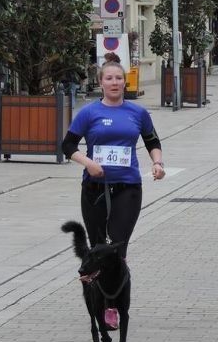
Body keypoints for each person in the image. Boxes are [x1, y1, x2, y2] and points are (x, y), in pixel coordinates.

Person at [61, 59, 165, 260]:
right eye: (109, 78)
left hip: (128, 187)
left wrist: (157, 163)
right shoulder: (89, 113)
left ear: (125, 83)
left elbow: (153, 142)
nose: (114, 82)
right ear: (101, 83)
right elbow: (67, 146)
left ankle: (119, 291)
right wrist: (88, 163)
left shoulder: (138, 113)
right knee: (98, 248)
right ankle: (97, 291)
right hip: (94, 187)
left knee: (117, 246)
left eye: (118, 78)